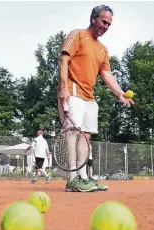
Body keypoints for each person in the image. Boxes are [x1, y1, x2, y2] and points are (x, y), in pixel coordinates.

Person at [57, 5, 134, 192]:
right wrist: (63, 87)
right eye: (104, 21)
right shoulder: (78, 35)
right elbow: (64, 60)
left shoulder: (102, 49)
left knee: (86, 136)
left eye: (109, 24)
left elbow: (107, 75)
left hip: (90, 96)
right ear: (93, 18)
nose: (106, 26)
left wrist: (120, 93)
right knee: (72, 133)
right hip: (73, 90)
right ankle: (72, 178)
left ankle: (83, 177)